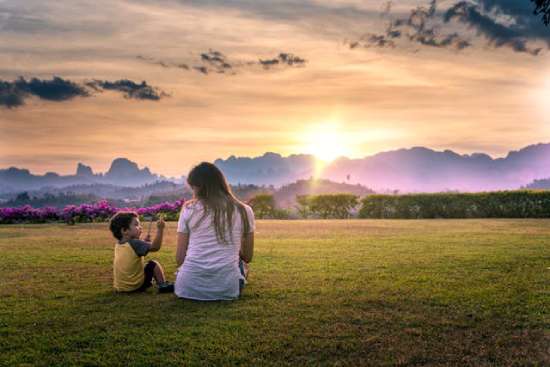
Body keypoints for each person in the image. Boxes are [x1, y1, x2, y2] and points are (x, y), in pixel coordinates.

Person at [174, 162, 255, 300]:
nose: (193, 192)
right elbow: (247, 257)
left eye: (193, 187)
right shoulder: (244, 210)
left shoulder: (188, 209)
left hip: (187, 288)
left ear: (200, 187)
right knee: (242, 265)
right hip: (227, 289)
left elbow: (180, 259)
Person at [109, 211, 174, 293]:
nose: (140, 227)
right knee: (152, 264)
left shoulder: (119, 245)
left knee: (146, 265)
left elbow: (135, 249)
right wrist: (160, 229)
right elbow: (155, 247)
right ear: (124, 230)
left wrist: (144, 242)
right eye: (136, 225)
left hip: (121, 288)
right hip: (136, 287)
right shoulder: (135, 243)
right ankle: (163, 285)